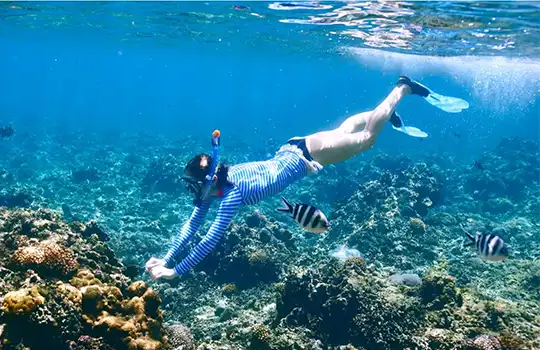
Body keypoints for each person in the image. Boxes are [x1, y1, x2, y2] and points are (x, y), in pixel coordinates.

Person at [145, 76, 468, 281]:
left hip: (309, 155)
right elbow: (192, 226)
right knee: (344, 132)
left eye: (192, 185)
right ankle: (385, 112)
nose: (191, 192)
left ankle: (403, 88)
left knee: (367, 139)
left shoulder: (231, 196)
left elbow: (211, 238)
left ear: (206, 181)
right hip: (294, 147)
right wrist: (167, 257)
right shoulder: (217, 187)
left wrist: (176, 271)